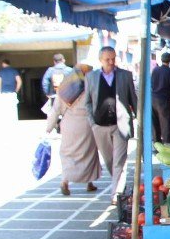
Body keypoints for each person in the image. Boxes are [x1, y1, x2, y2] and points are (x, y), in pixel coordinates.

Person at [85, 46, 137, 199]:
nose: (111, 62)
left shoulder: (125, 76)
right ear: (100, 60)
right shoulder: (90, 77)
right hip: (99, 125)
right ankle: (119, 183)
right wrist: (92, 122)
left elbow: (133, 99)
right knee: (109, 160)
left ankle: (116, 193)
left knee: (119, 161)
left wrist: (140, 118)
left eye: (113, 58)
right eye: (107, 59)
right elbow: (87, 102)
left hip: (121, 124)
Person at [46, 64, 101, 196]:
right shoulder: (92, 87)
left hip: (69, 126)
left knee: (68, 154)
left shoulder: (64, 88)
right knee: (89, 154)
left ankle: (64, 181)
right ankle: (89, 183)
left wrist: (48, 128)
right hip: (87, 126)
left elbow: (55, 110)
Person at [150, 51, 170, 144]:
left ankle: (157, 143)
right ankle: (166, 143)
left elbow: (151, 84)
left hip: (153, 99)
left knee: (155, 122)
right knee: (166, 123)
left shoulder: (155, 70)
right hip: (164, 100)